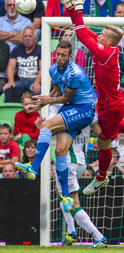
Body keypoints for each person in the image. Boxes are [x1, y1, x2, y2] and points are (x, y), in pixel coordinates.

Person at [58, 0, 124, 196]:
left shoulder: (104, 51)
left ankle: (101, 177)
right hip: (108, 101)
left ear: (108, 41)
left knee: (102, 141)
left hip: (111, 105)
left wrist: (78, 7)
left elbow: (82, 33)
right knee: (112, 127)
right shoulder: (107, 47)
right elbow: (84, 32)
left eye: (101, 35)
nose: (98, 35)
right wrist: (71, 7)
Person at [15, 40, 97, 213]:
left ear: (69, 56)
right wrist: (38, 105)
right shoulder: (53, 69)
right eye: (57, 54)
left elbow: (66, 98)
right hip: (71, 109)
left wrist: (48, 101)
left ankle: (33, 167)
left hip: (84, 109)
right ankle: (66, 196)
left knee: (46, 126)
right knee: (60, 151)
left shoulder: (75, 73)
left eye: (63, 55)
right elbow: (56, 91)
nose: (59, 58)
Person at [54, 125, 108, 248]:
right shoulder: (88, 114)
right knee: (60, 191)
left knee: (73, 203)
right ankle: (71, 232)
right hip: (81, 161)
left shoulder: (66, 117)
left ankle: (99, 237)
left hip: (67, 162)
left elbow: (52, 131)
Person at [3, 26, 41, 95]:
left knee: (37, 91)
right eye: (25, 36)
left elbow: (42, 68)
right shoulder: (16, 49)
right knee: (7, 90)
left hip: (34, 82)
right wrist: (11, 81)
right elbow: (11, 67)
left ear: (35, 38)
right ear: (22, 38)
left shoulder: (40, 49)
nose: (27, 38)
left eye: (30, 36)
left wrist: (37, 82)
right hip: (21, 81)